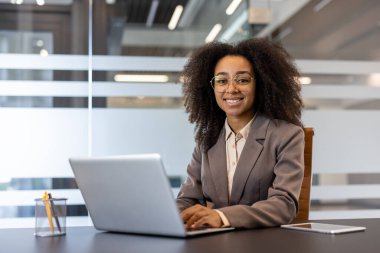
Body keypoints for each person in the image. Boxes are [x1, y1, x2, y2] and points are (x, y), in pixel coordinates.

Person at [176, 38, 305, 229]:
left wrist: (221, 217)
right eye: (222, 80)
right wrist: (168, 216)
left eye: (242, 80)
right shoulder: (206, 140)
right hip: (214, 243)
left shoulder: (287, 135)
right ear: (211, 88)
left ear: (260, 84)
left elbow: (283, 205)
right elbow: (188, 199)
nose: (231, 89)